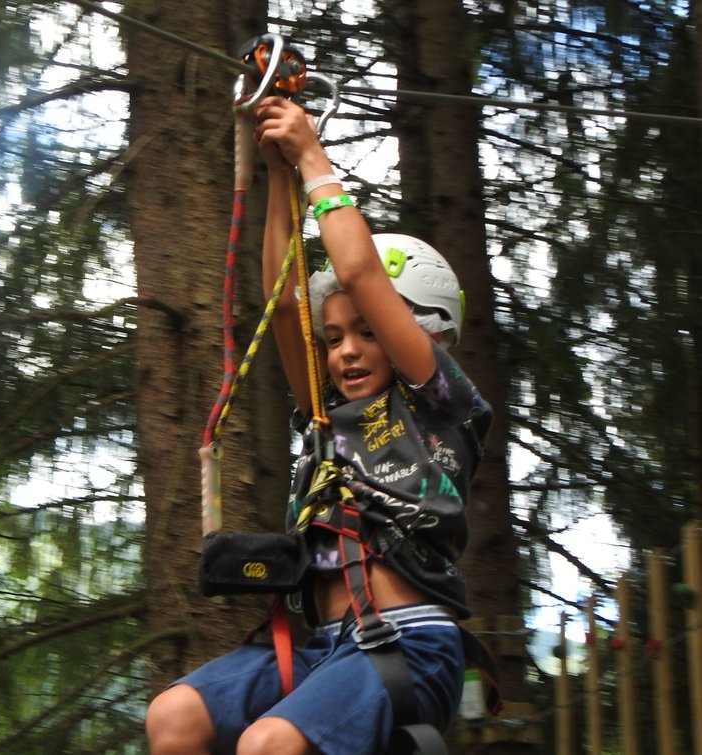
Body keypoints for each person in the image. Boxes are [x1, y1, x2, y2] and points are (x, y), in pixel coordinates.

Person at [144, 95, 494, 755]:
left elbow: (357, 272)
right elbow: (282, 301)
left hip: (407, 641)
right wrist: (279, 177)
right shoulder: (326, 416)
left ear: (420, 329)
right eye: (332, 339)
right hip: (322, 648)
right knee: (173, 716)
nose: (344, 352)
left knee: (266, 744)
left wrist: (310, 157)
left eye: (367, 331)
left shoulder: (439, 403)